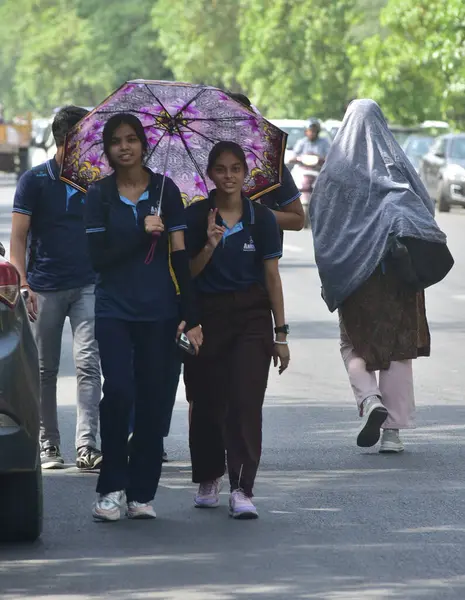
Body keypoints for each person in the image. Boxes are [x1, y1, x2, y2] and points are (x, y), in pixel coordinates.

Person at [310, 99, 451, 453]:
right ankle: (392, 434)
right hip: (397, 275)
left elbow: (321, 220)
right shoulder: (395, 166)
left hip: (354, 275)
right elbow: (424, 208)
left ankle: (370, 399)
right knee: (398, 347)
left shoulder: (334, 174)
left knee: (353, 342)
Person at [85, 113, 202, 522]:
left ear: (143, 144)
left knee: (154, 399)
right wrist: (140, 234)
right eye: (116, 141)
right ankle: (111, 488)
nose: (125, 147)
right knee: (118, 392)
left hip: (159, 310)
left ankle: (141, 493)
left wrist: (192, 313)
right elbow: (99, 260)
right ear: (108, 148)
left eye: (132, 139)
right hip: (114, 309)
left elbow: (181, 256)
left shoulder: (165, 191)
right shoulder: (97, 196)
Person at [184, 141, 290, 519]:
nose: (228, 176)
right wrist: (210, 244)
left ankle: (243, 489)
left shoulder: (261, 218)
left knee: (246, 402)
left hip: (251, 318)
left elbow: (272, 277)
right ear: (209, 174)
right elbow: (187, 276)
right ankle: (208, 478)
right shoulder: (195, 217)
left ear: (246, 174)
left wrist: (281, 333)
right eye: (221, 169)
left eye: (236, 169)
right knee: (207, 401)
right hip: (206, 319)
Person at [10, 106, 102, 471]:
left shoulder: (97, 182)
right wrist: (23, 283)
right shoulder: (34, 180)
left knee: (88, 364)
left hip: (89, 286)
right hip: (43, 287)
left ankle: (87, 445)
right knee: (45, 370)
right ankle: (49, 444)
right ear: (65, 140)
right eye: (84, 137)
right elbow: (18, 237)